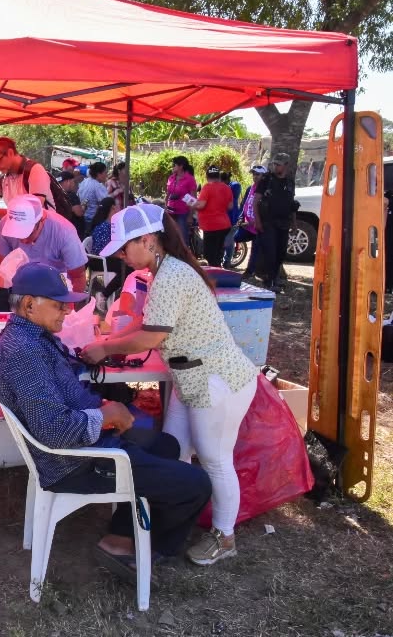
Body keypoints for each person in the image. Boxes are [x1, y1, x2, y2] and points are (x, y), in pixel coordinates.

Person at [0, 262, 211, 576]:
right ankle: (148, 550)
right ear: (28, 305)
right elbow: (53, 430)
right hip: (77, 462)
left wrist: (103, 406)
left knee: (165, 446)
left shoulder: (30, 336)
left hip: (86, 446)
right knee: (197, 483)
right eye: (58, 305)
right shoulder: (24, 352)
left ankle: (121, 535)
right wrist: (104, 415)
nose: (67, 311)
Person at [80, 203, 258, 566]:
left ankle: (225, 537)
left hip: (216, 379)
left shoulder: (172, 274)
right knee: (172, 451)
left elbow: (150, 336)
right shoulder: (163, 273)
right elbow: (146, 323)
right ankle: (171, 525)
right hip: (188, 377)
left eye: (125, 249)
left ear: (147, 240)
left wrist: (104, 347)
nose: (122, 257)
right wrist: (105, 336)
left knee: (215, 459)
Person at [0, 194, 87, 294]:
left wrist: (72, 306)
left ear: (41, 220)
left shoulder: (64, 232)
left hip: (56, 286)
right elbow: (3, 268)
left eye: (28, 233)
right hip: (19, 285)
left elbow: (78, 276)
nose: (23, 240)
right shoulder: (4, 224)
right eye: (16, 233)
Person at [0, 137, 54, 219]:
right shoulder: (2, 177)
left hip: (46, 230)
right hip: (22, 231)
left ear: (10, 153)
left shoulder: (35, 170)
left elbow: (33, 212)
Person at [253, 152, 297, 293]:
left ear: (286, 166)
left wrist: (294, 223)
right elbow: (255, 202)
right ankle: (269, 281)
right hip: (268, 222)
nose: (275, 166)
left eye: (278, 164)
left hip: (283, 223)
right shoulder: (266, 180)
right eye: (274, 164)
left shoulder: (290, 182)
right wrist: (257, 221)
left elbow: (292, 204)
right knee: (270, 253)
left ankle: (275, 278)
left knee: (280, 252)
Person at [191, 166, 233, 268]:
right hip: (224, 225)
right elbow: (230, 206)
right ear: (218, 176)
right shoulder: (227, 188)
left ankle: (214, 277)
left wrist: (190, 203)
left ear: (207, 176)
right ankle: (219, 273)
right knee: (218, 253)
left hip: (211, 226)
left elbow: (201, 205)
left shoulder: (207, 187)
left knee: (210, 255)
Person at [236, 166, 267, 279]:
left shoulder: (266, 190)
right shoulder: (250, 188)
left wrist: (254, 222)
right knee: (233, 237)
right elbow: (244, 204)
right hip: (247, 225)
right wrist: (240, 217)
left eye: (258, 174)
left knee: (255, 249)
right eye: (254, 174)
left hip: (258, 226)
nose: (255, 177)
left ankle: (250, 272)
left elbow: (265, 210)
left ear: (264, 176)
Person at [166, 155, 197, 244]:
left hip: (183, 213)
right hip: (171, 211)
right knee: (171, 237)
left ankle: (184, 256)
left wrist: (190, 216)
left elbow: (193, 198)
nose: (173, 167)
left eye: (174, 165)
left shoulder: (189, 179)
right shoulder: (171, 178)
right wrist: (165, 206)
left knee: (183, 238)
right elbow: (167, 194)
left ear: (181, 166)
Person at [78, 162, 109, 231]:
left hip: (83, 217)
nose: (106, 175)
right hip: (92, 219)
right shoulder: (98, 186)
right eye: (105, 173)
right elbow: (106, 202)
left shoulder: (84, 182)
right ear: (99, 174)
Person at [221, 171, 242, 269]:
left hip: (232, 221)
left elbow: (235, 189)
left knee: (228, 242)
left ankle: (227, 262)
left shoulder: (234, 186)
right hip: (222, 221)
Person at [57, 171, 86, 239]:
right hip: (74, 234)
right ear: (68, 182)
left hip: (61, 233)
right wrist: (84, 207)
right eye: (73, 182)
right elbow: (79, 212)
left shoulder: (55, 194)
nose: (74, 184)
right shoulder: (71, 196)